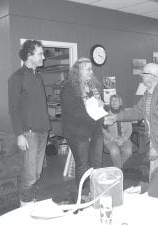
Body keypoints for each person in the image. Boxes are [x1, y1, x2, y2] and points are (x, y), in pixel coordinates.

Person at [105, 63, 158, 179]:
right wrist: (116, 117)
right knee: (155, 173)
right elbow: (137, 111)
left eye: (143, 73)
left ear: (151, 76)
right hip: (157, 140)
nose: (141, 75)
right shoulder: (150, 93)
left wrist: (156, 147)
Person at [8, 40, 51, 206]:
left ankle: (31, 201)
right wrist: (19, 134)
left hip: (43, 131)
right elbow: (13, 109)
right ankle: (25, 207)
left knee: (37, 173)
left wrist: (47, 129)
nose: (43, 57)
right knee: (29, 175)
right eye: (40, 54)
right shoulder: (17, 77)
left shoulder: (38, 77)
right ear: (29, 55)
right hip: (29, 133)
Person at [61, 57, 104, 195]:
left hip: (95, 131)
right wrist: (101, 118)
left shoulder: (94, 87)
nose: (91, 72)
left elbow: (98, 107)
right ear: (78, 71)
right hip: (77, 133)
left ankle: (96, 192)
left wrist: (103, 109)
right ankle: (83, 195)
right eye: (88, 69)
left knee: (97, 164)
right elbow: (76, 114)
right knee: (83, 165)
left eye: (92, 69)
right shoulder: (68, 89)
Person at [103, 94, 132, 169]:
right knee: (114, 151)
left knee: (128, 152)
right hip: (110, 140)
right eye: (112, 100)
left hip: (124, 139)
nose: (114, 102)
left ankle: (116, 167)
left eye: (116, 100)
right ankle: (119, 170)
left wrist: (124, 139)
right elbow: (104, 131)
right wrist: (113, 139)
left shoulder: (126, 114)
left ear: (120, 102)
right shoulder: (105, 115)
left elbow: (129, 129)